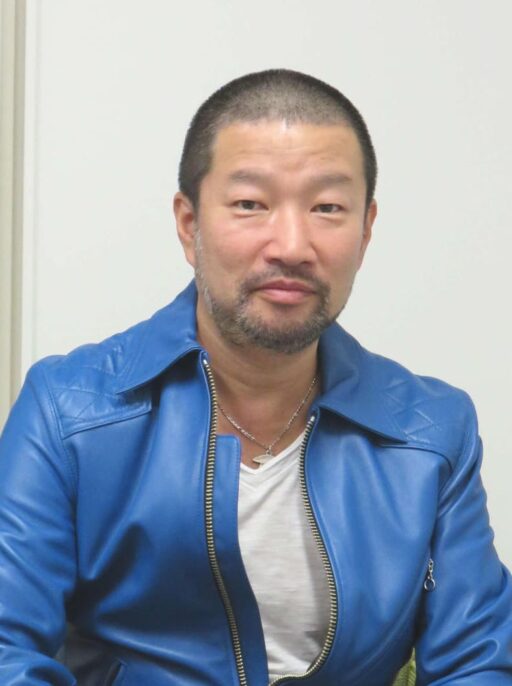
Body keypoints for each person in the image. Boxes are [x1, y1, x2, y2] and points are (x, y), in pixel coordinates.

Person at [0, 69, 511, 686]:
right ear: (189, 223)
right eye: (250, 204)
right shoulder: (70, 412)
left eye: (327, 208)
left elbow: (477, 662)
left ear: (366, 230)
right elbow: (8, 649)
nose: (291, 245)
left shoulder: (430, 433)